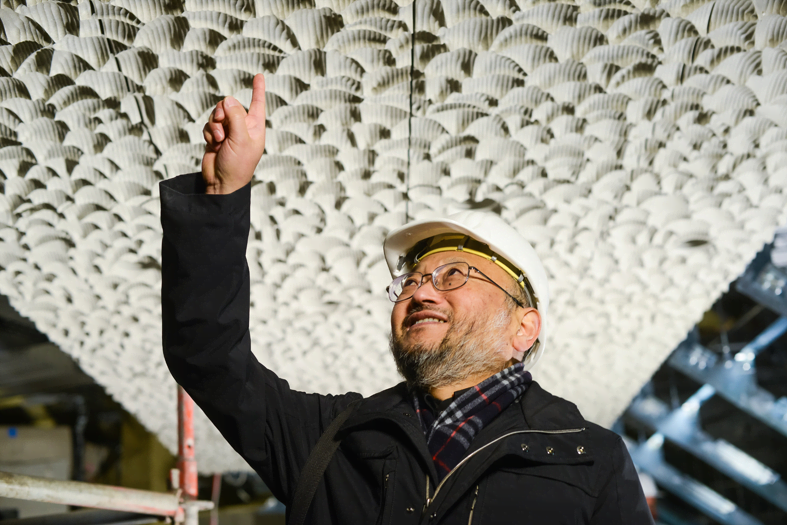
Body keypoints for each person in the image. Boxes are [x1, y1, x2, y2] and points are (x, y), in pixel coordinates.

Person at [160, 73, 655, 524]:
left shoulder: (590, 461)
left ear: (523, 327)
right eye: (412, 281)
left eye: (453, 274)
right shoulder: (331, 439)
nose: (420, 291)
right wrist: (224, 192)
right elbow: (207, 356)